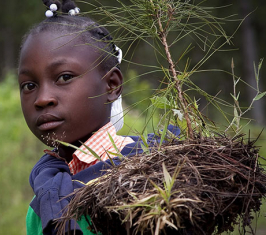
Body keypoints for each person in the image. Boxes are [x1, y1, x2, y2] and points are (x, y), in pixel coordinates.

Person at [18, 0, 179, 234]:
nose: (42, 99)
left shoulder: (155, 173)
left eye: (64, 77)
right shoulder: (45, 197)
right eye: (29, 85)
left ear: (111, 85)